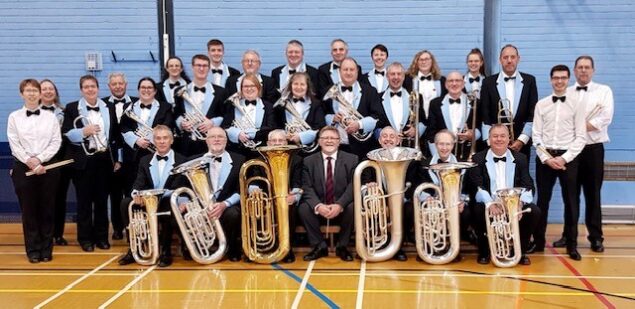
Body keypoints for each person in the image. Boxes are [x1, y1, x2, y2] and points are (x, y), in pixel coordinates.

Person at [552, 56, 614, 253]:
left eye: (587, 67)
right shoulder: (566, 92)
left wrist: (577, 126)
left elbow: (605, 118)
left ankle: (596, 237)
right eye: (580, 68)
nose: (583, 71)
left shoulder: (604, 91)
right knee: (569, 196)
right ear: (574, 71)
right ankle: (568, 235)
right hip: (571, 151)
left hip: (593, 150)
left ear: (593, 70)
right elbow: (559, 119)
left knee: (593, 195)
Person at [531, 65, 586, 260]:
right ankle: (537, 243)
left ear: (568, 79)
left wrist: (563, 158)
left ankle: (572, 244)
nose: (559, 81)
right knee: (542, 202)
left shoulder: (578, 105)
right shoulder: (541, 105)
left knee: (571, 202)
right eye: (556, 78)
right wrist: (547, 159)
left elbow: (581, 137)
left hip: (568, 158)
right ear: (551, 80)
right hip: (545, 158)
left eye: (563, 78)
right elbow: (536, 136)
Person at [62, 75, 122, 252]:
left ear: (98, 88)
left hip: (104, 159)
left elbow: (116, 135)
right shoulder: (73, 107)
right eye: (86, 87)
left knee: (103, 201)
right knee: (84, 202)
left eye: (93, 86)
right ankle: (85, 239)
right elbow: (66, 133)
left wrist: (118, 159)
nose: (90, 89)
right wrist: (83, 131)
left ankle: (102, 237)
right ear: (81, 90)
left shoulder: (108, 107)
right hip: (84, 161)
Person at [468, 124, 540, 265]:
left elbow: (528, 184)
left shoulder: (520, 158)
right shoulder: (478, 158)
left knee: (534, 212)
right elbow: (477, 185)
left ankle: (520, 252)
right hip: (491, 201)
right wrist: (490, 204)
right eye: (495, 136)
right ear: (489, 139)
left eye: (502, 136)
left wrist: (520, 204)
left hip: (513, 202)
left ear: (509, 139)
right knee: (477, 210)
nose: (499, 139)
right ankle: (484, 251)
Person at [117, 125, 187, 267]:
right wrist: (137, 195)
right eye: (158, 138)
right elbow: (138, 183)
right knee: (126, 203)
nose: (161, 142)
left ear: (171, 140)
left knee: (169, 205)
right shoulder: (145, 160)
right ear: (153, 141)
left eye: (165, 138)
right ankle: (134, 249)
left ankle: (165, 252)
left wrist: (154, 196)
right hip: (147, 201)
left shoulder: (181, 160)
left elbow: (179, 187)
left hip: (167, 200)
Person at [8, 79, 62, 263]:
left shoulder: (51, 117)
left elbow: (56, 142)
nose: (31, 93)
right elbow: (14, 143)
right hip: (23, 167)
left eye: (34, 90)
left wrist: (40, 159)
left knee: (47, 209)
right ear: (21, 94)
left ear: (40, 94)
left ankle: (46, 250)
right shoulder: (14, 117)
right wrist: (30, 161)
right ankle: (33, 250)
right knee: (29, 211)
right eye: (27, 90)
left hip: (47, 166)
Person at [298, 126, 359, 262]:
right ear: (319, 141)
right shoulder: (308, 161)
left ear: (339, 141)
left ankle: (342, 246)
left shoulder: (352, 159)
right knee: (303, 208)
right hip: (319, 209)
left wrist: (339, 205)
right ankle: (320, 246)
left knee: (353, 206)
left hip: (342, 209)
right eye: (325, 138)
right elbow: (306, 187)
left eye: (333, 138)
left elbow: (353, 186)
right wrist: (318, 206)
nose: (329, 141)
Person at [412, 129, 474, 260]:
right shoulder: (423, 164)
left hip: (453, 203)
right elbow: (418, 186)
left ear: (453, 145)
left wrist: (462, 200)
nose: (444, 148)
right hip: (432, 203)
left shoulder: (462, 164)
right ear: (435, 144)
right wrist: (426, 198)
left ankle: (454, 247)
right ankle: (428, 247)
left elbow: (468, 189)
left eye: (448, 144)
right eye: (441, 144)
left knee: (467, 213)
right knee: (425, 210)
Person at [480, 44, 538, 159]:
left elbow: (533, 114)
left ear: (518, 59)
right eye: (505, 57)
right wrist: (490, 142)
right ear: (500, 60)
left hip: (521, 146)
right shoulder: (488, 82)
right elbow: (484, 116)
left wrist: (522, 140)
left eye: (512, 57)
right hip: (495, 145)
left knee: (521, 176)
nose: (509, 61)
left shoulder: (529, 81)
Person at [197, 126, 246, 262]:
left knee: (234, 214)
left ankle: (231, 247)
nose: (217, 139)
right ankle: (197, 247)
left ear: (226, 140)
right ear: (206, 140)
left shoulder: (239, 160)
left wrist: (225, 204)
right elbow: (184, 185)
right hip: (202, 205)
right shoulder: (194, 161)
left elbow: (241, 188)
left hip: (227, 204)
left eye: (221, 137)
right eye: (213, 137)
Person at [120, 77, 174, 195]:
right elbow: (124, 127)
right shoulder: (129, 107)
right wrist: (136, 140)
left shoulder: (165, 107)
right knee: (133, 190)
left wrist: (150, 138)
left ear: (155, 91)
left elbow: (167, 126)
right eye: (143, 87)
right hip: (134, 156)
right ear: (139, 90)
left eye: (149, 87)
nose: (146, 90)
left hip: (155, 153)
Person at [323, 57, 382, 160]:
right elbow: (321, 115)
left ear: (357, 71)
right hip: (336, 148)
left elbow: (378, 117)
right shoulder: (329, 91)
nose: (348, 73)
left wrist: (359, 124)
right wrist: (332, 119)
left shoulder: (370, 91)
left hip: (363, 149)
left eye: (352, 69)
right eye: (345, 69)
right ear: (339, 71)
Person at [103, 72, 137, 240]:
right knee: (115, 195)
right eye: (114, 84)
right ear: (109, 86)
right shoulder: (101, 104)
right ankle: (117, 228)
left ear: (126, 84)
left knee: (132, 195)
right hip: (111, 159)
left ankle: (133, 228)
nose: (117, 86)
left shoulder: (137, 103)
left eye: (120, 83)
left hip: (133, 159)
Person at [173, 54, 227, 156]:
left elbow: (226, 115)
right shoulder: (179, 91)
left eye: (205, 66)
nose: (201, 69)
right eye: (198, 65)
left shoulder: (221, 92)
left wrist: (212, 123)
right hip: (186, 143)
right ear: (192, 67)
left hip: (211, 142)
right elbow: (176, 114)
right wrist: (181, 123)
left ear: (209, 68)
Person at [264, 129, 304, 263]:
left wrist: (294, 196)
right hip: (266, 199)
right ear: (268, 143)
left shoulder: (296, 160)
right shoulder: (259, 159)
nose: (277, 143)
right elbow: (255, 182)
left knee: (289, 208)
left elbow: (298, 183)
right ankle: (264, 246)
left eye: (280, 140)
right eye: (273, 141)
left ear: (286, 142)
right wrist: (255, 191)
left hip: (287, 198)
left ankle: (287, 248)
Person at [40, 79, 71, 246]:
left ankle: (58, 234)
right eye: (44, 89)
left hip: (60, 162)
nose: (48, 91)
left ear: (55, 92)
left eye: (51, 89)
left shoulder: (64, 112)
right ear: (39, 92)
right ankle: (43, 234)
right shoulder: (32, 113)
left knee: (59, 199)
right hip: (40, 162)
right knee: (42, 200)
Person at [426, 71, 481, 161]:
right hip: (443, 153)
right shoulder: (435, 104)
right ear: (446, 84)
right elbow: (431, 132)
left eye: (457, 80)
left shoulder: (475, 102)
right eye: (451, 81)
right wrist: (438, 157)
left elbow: (480, 126)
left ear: (463, 84)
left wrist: (473, 134)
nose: (454, 84)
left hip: (468, 153)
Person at [222, 73, 276, 159]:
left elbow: (271, 127)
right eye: (245, 86)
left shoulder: (268, 106)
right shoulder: (233, 105)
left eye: (252, 86)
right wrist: (237, 134)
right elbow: (225, 126)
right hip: (236, 151)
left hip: (260, 151)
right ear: (241, 89)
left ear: (258, 88)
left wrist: (251, 133)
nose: (249, 89)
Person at [274, 72, 325, 156]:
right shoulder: (282, 105)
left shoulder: (316, 104)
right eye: (295, 84)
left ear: (307, 86)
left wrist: (300, 136)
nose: (299, 87)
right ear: (291, 86)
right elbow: (277, 125)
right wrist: (286, 135)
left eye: (302, 84)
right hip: (287, 148)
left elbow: (320, 126)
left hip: (309, 150)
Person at [375, 62, 424, 149]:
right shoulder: (377, 98)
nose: (396, 77)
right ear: (387, 76)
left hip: (409, 148)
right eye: (392, 74)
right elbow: (375, 124)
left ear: (403, 77)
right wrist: (386, 133)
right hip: (385, 148)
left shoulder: (416, 97)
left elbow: (424, 121)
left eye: (399, 74)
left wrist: (416, 131)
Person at [404, 50, 448, 125]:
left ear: (432, 61)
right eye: (421, 59)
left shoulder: (442, 80)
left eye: (427, 59)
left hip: (436, 123)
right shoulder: (407, 80)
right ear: (416, 62)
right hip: (415, 124)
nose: (424, 62)